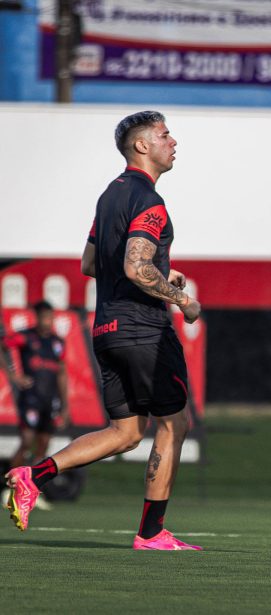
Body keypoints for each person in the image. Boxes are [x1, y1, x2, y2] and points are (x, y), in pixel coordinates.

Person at [4, 110, 203, 551]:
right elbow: (135, 265)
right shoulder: (149, 201)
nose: (174, 142)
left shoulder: (109, 197)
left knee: (127, 432)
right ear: (141, 146)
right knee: (174, 423)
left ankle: (32, 474)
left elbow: (91, 265)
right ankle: (152, 532)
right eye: (165, 135)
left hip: (107, 328)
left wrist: (159, 277)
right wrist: (182, 302)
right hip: (144, 330)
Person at [0, 300, 70, 510]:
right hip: (30, 398)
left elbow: (62, 373)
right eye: (44, 317)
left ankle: (30, 489)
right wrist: (14, 376)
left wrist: (65, 406)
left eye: (50, 317)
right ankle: (9, 490)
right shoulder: (26, 337)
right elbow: (3, 346)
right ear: (37, 317)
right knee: (26, 441)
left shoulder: (58, 342)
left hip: (50, 400)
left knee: (43, 444)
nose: (47, 321)